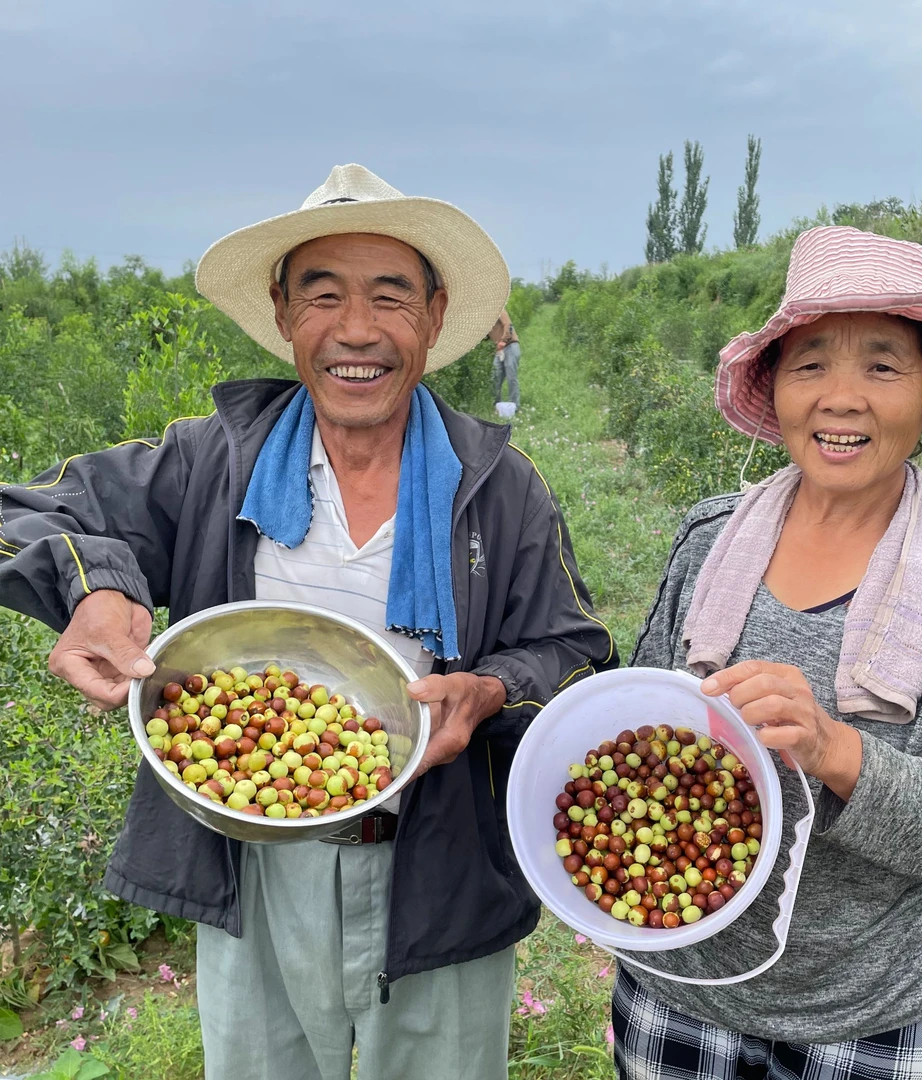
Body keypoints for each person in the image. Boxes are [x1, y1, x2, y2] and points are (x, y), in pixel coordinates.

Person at [0, 163, 617, 1080]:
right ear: (285, 315)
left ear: (436, 316)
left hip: (439, 860)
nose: (356, 331)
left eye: (389, 297)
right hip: (254, 858)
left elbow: (575, 655)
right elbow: (30, 510)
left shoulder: (502, 489)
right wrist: (98, 588)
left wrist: (492, 690)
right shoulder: (211, 460)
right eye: (322, 295)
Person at [616, 226, 922, 1080]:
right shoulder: (709, 540)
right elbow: (638, 729)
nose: (840, 399)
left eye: (883, 367)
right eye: (809, 364)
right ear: (773, 387)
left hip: (876, 1017)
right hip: (680, 989)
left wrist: (836, 750)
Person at [489, 307, 521, 410]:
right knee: (495, 376)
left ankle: (515, 406)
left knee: (511, 377)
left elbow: (508, 325)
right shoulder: (486, 318)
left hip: (510, 346)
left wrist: (503, 341)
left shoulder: (498, 309)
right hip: (500, 349)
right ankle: (496, 405)